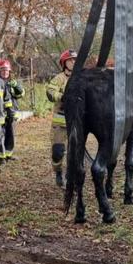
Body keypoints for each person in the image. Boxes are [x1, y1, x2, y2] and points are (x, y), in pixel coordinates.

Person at [46, 49, 77, 187]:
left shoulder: (80, 77)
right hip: (60, 122)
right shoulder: (59, 78)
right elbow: (50, 91)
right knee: (57, 152)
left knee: (75, 152)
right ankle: (58, 172)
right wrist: (63, 97)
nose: (73, 62)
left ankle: (72, 177)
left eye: (75, 60)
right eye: (70, 60)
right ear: (64, 63)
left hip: (76, 122)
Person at [0, 58, 25, 160]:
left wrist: (16, 86)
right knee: (1, 134)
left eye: (6, 70)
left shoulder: (12, 83)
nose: (5, 72)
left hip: (12, 113)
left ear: (9, 72)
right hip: (0, 113)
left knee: (11, 134)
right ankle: (1, 155)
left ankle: (9, 154)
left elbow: (21, 94)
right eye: (2, 70)